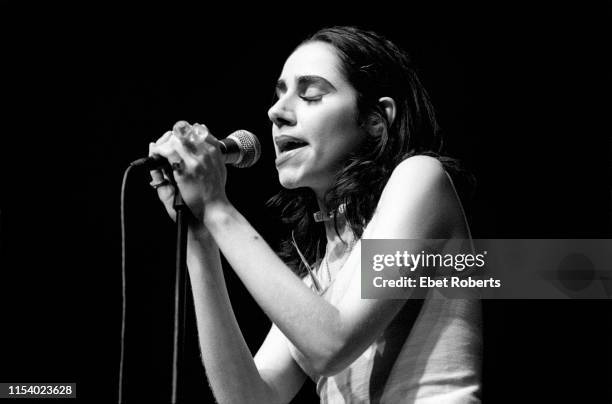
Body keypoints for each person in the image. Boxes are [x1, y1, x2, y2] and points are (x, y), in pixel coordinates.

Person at [148, 26, 481, 403]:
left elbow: (332, 342)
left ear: (375, 120)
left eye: (310, 95)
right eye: (279, 95)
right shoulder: (317, 275)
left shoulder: (422, 176)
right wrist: (201, 237)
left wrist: (218, 208)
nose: (276, 112)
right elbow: (249, 399)